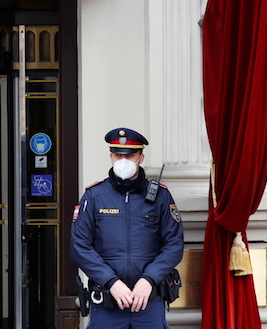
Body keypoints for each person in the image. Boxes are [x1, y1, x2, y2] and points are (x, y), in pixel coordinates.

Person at [70, 128, 183, 328]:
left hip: (149, 302)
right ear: (111, 156)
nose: (123, 160)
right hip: (107, 303)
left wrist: (148, 279)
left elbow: (173, 245)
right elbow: (80, 246)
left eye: (130, 155)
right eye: (118, 155)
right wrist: (111, 281)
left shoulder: (160, 197)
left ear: (141, 157)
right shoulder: (94, 196)